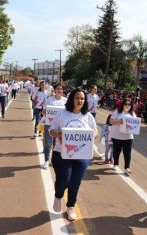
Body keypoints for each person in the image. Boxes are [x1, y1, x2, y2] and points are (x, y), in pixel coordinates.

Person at [49, 88, 98, 221]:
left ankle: (71, 206)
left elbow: (95, 131)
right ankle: (58, 195)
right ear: (72, 99)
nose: (79, 101)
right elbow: (51, 130)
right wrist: (58, 133)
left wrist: (92, 135)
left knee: (75, 181)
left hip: (82, 155)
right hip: (62, 153)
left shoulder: (88, 116)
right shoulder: (62, 114)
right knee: (65, 179)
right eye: (77, 98)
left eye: (82, 98)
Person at [42, 83, 67, 169]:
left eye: (61, 89)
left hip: (60, 126)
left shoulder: (66, 101)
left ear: (63, 91)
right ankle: (46, 160)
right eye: (58, 89)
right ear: (55, 90)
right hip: (49, 124)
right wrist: (45, 112)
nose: (59, 90)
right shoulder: (49, 99)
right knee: (48, 143)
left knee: (57, 145)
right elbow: (44, 110)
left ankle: (53, 161)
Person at [110, 98, 137, 175]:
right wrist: (118, 122)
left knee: (127, 152)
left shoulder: (133, 114)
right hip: (117, 136)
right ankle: (115, 164)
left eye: (129, 104)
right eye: (126, 104)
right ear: (123, 105)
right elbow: (111, 121)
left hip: (128, 137)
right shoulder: (117, 112)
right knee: (117, 151)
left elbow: (136, 124)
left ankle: (127, 168)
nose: (127, 106)